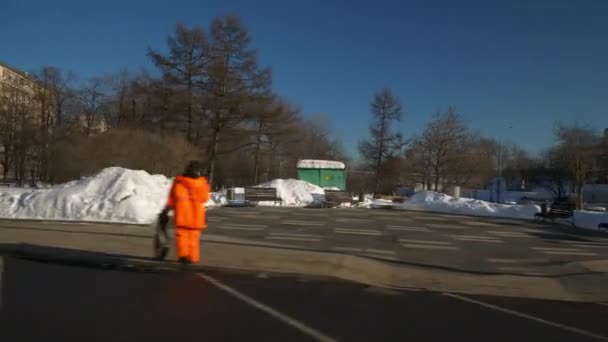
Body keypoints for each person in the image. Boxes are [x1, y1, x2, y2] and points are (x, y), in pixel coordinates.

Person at [165, 161, 210, 265]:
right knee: (194, 239)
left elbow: (172, 198)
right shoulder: (202, 183)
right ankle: (193, 259)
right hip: (196, 217)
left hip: (182, 215)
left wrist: (167, 208)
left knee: (182, 237)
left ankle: (183, 256)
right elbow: (204, 198)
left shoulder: (178, 182)